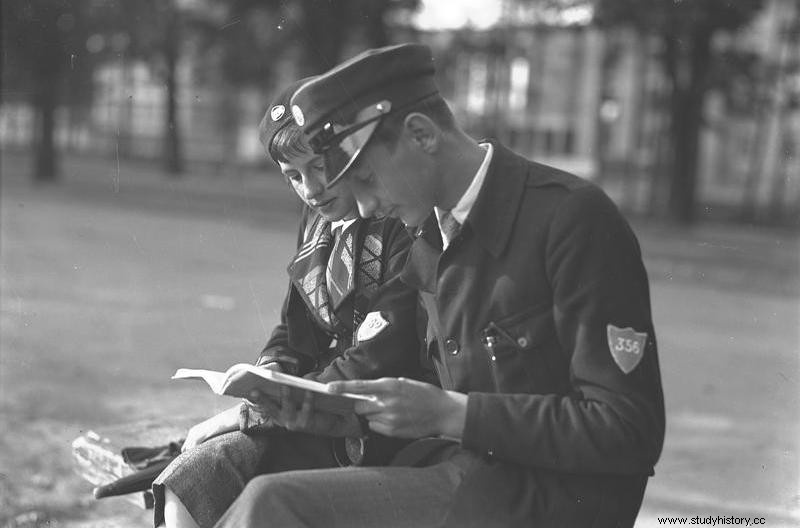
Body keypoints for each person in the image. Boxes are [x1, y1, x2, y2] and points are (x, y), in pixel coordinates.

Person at [214, 43, 666, 527]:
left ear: (421, 134)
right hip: (458, 476)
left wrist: (453, 414)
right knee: (235, 472)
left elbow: (628, 428)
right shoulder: (429, 235)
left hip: (547, 501)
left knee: (273, 505)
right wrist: (332, 416)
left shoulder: (571, 220)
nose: (363, 208)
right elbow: (424, 397)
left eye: (365, 178)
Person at [151, 77, 431, 528]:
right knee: (193, 474)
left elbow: (383, 350)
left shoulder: (396, 217)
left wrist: (255, 412)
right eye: (293, 177)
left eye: (321, 167)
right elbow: (294, 324)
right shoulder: (318, 221)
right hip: (306, 414)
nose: (311, 189)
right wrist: (270, 373)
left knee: (216, 472)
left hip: (372, 429)